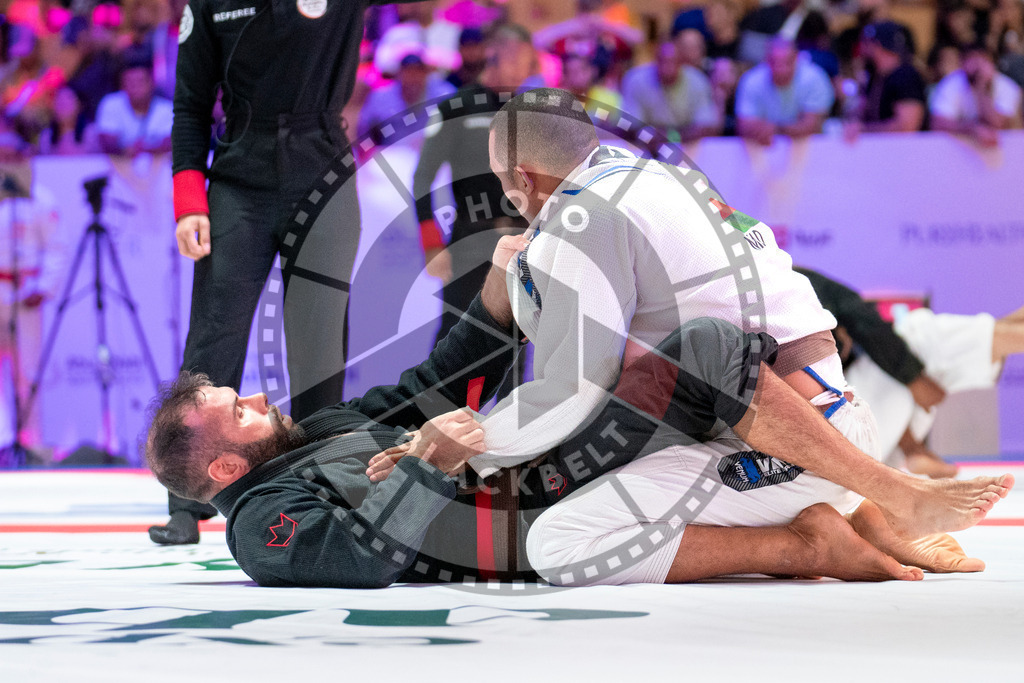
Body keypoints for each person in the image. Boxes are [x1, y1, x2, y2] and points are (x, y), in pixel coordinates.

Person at [145, 247, 1011, 587]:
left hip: (529, 458)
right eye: (239, 411)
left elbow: (437, 379)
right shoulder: (261, 524)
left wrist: (492, 286)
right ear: (223, 469)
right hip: (520, 516)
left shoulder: (324, 431)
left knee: (703, 343)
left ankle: (866, 499)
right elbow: (360, 562)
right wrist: (428, 464)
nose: (259, 398)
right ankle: (850, 515)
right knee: (689, 362)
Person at [464, 87, 1013, 582]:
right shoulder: (664, 179)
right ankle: (858, 513)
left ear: (523, 178)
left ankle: (807, 543)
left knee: (558, 540)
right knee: (586, 465)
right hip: (817, 421)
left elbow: (575, 386)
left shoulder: (582, 219)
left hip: (794, 447)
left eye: (502, 180)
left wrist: (474, 447)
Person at [152, 0, 396, 546]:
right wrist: (189, 199)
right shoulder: (209, 5)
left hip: (323, 171)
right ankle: (186, 505)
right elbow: (190, 105)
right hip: (239, 179)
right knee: (215, 334)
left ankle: (325, 488)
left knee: (318, 348)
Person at [797, 266, 1024, 479]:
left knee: (902, 352)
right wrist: (914, 378)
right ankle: (913, 450)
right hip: (840, 441)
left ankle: (913, 450)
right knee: (918, 336)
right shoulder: (789, 280)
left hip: (842, 440)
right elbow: (862, 320)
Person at [411, 24, 533, 347]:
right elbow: (422, 176)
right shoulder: (456, 107)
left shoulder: (528, 111)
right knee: (454, 338)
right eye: (517, 62)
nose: (523, 72)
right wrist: (431, 242)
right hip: (469, 239)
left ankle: (514, 401)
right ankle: (438, 399)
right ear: (495, 56)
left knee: (514, 343)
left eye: (528, 64)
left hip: (520, 242)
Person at [0, 180, 59, 452]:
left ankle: (31, 444)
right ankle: (3, 441)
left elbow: (58, 246)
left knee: (27, 370)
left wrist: (44, 287)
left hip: (25, 290)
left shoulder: (40, 197)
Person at [736, 38, 835, 144]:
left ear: (797, 58)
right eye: (775, 62)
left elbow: (813, 126)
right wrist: (791, 128)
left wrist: (773, 129)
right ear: (766, 60)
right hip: (763, 149)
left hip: (812, 149)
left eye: (786, 62)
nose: (780, 69)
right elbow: (743, 126)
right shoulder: (751, 80)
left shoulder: (815, 78)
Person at [620, 40, 722, 143]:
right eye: (663, 61)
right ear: (655, 60)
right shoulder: (636, 80)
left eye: (673, 61)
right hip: (644, 147)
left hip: (689, 148)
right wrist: (650, 137)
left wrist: (670, 137)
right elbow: (629, 126)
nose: (667, 68)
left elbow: (705, 127)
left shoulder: (698, 81)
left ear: (682, 62)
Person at [930, 43, 1023, 146]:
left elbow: (999, 124)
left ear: (991, 62)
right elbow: (938, 123)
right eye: (972, 59)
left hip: (1006, 152)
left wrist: (981, 88)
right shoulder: (951, 82)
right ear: (962, 62)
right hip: (959, 152)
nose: (978, 65)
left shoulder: (1007, 86)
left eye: (982, 60)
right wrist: (972, 128)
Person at [357, 50, 455, 145]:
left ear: (426, 74)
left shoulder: (443, 94)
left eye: (418, 72)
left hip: (431, 152)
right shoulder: (380, 98)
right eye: (408, 72)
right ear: (398, 74)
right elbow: (364, 131)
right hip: (392, 154)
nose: (413, 77)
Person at [852, 21, 927, 135]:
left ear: (877, 46)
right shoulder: (874, 77)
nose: (861, 49)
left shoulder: (906, 76)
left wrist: (863, 130)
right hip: (882, 149)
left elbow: (907, 127)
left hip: (905, 150)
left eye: (866, 43)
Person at [95, 56, 172, 156]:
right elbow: (107, 142)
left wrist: (143, 149)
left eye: (140, 82)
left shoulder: (167, 109)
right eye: (130, 82)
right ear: (122, 85)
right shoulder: (111, 104)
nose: (135, 87)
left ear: (152, 83)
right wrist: (125, 150)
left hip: (161, 168)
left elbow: (172, 142)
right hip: (118, 168)